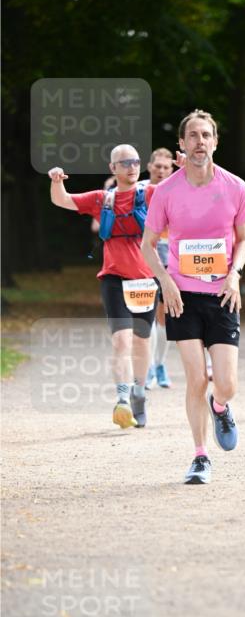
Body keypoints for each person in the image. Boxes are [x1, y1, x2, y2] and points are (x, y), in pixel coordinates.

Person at [141, 109, 245, 485]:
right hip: (181, 297)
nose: (199, 142)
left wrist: (235, 274)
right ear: (182, 145)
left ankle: (221, 407)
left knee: (226, 383)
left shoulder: (236, 187)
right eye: (193, 136)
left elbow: (242, 240)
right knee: (194, 379)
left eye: (206, 135)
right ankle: (200, 456)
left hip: (221, 294)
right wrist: (165, 282)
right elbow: (148, 245)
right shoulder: (167, 191)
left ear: (215, 141)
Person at [48, 145, 157, 429]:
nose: (132, 167)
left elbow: (183, 190)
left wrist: (183, 168)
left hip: (146, 278)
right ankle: (122, 400)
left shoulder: (150, 194)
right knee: (121, 341)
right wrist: (56, 181)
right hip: (114, 278)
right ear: (113, 168)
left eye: (135, 162)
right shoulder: (101, 199)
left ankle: (139, 394)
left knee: (142, 342)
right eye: (125, 163)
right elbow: (63, 201)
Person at [141, 148, 175, 389]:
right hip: (143, 259)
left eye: (166, 167)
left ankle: (160, 364)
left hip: (171, 261)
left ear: (171, 169)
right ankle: (150, 367)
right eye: (158, 166)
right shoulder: (140, 189)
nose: (161, 171)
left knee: (164, 317)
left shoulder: (178, 189)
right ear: (150, 167)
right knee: (147, 316)